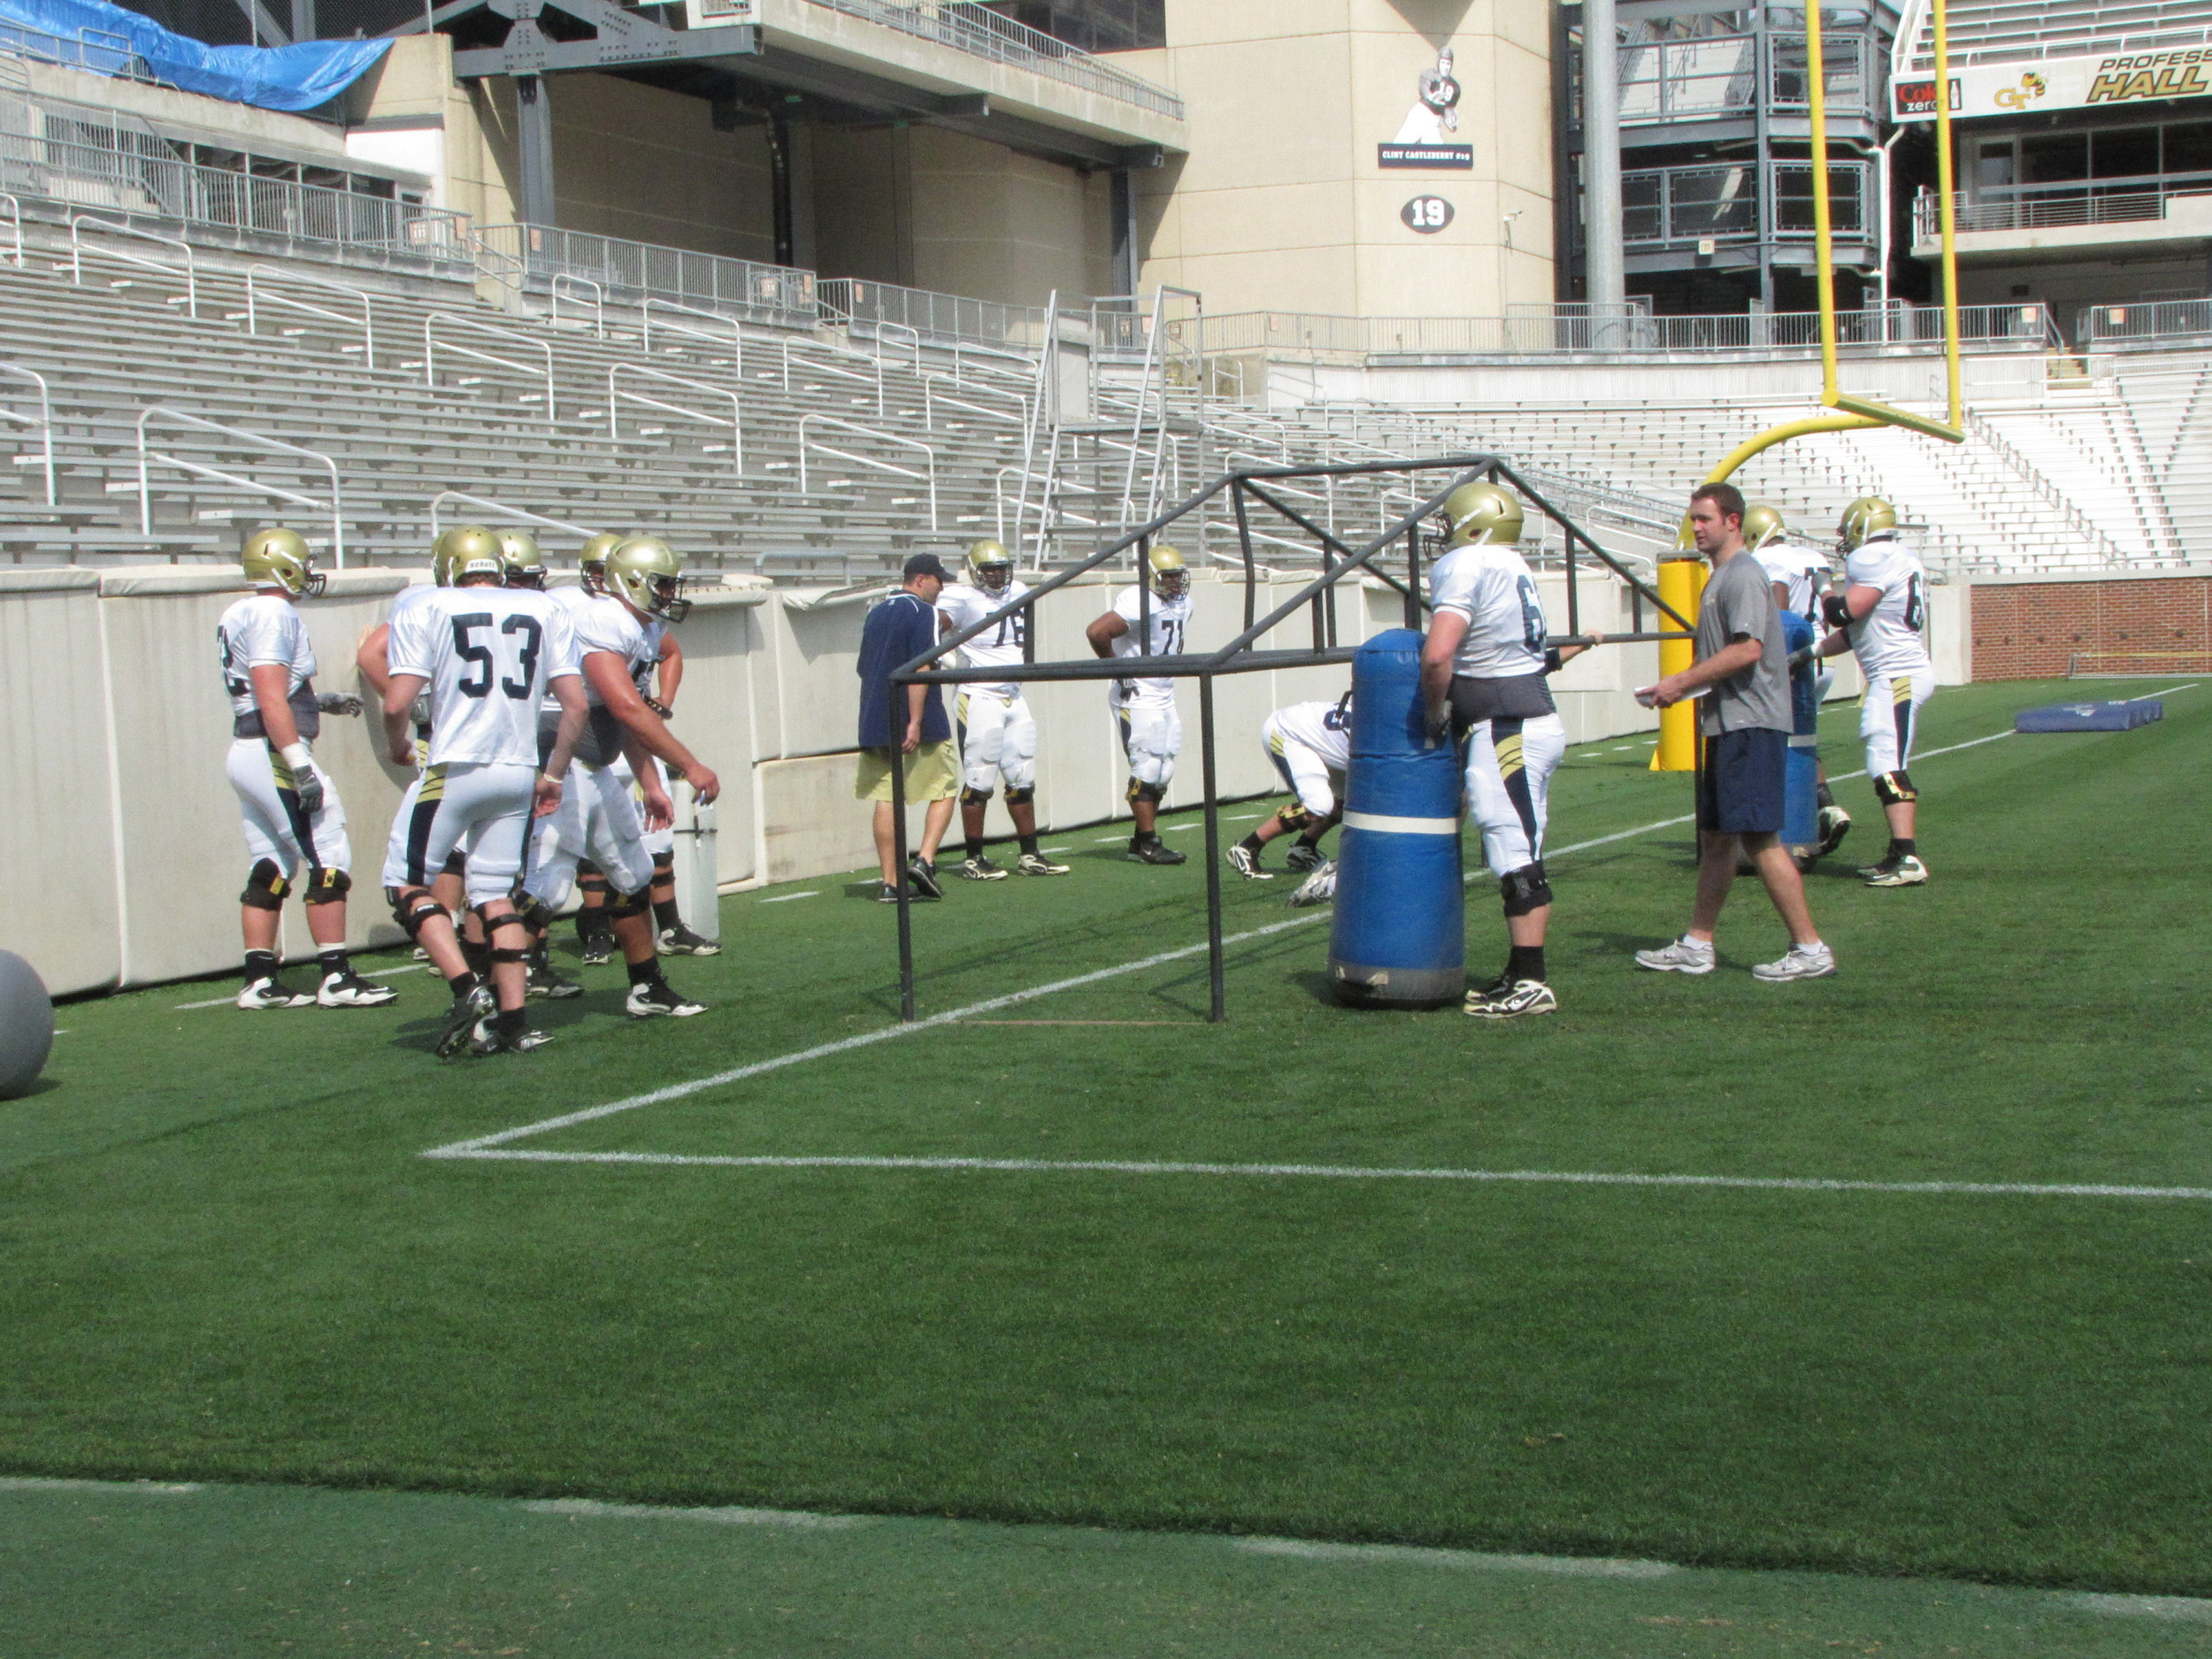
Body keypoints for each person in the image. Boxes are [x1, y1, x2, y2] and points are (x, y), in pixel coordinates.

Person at [380, 531, 586, 1056]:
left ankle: (466, 987)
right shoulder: (543, 606)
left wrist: (399, 745)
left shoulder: (425, 604)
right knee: (494, 893)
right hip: (518, 768)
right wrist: (554, 774)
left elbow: (395, 701)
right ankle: (515, 1023)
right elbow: (576, 707)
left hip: (454, 766)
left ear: (447, 567)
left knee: (404, 884)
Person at [1634, 483, 1834, 982]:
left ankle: (1810, 947)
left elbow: (1747, 649)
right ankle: (1698, 943)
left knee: (1760, 838)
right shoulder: (1723, 576)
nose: (1696, 527)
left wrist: (1680, 681)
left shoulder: (1742, 575)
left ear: (1732, 521)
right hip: (1729, 722)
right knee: (1717, 839)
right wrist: (1682, 691)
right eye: (1693, 519)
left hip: (1750, 723)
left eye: (1705, 518)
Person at [1417, 482, 1602, 1018]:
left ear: (1472, 524)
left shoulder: (1467, 564)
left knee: (1512, 850)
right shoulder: (1512, 564)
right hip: (1523, 720)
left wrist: (1435, 712)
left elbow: (1437, 656)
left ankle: (1533, 981)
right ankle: (1521, 971)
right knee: (1518, 845)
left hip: (1507, 727)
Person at [515, 535, 718, 1019]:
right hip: (557, 764)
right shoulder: (603, 617)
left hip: (591, 764)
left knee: (633, 871)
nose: (670, 595)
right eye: (663, 585)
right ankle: (488, 986)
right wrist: (688, 765)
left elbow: (625, 712)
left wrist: (649, 781)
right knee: (546, 883)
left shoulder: (638, 627)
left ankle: (646, 987)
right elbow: (625, 705)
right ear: (632, 581)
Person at [218, 527, 394, 1010]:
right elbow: (270, 692)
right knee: (329, 850)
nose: (310, 572)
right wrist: (298, 762)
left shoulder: (240, 610)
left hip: (247, 750)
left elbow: (267, 692)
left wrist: (318, 703)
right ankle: (336, 977)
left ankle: (259, 981)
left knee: (272, 865)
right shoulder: (273, 612)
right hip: (273, 753)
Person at [357, 530, 472, 967]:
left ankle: (448, 928)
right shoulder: (424, 600)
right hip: (444, 735)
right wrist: (415, 708)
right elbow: (372, 654)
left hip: (460, 733)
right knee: (449, 843)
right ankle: (442, 930)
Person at [1812, 495, 1932, 887]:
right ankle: (1898, 854)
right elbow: (1855, 632)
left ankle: (1907, 856)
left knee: (1887, 764)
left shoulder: (1873, 557)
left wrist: (1824, 588)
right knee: (1884, 758)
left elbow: (1842, 613)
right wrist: (1809, 652)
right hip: (1898, 673)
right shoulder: (1902, 557)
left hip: (1897, 675)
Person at [936, 539, 1069, 879]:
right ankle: (973, 859)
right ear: (974, 571)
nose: (996, 576)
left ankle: (1030, 854)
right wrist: (952, 661)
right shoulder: (961, 597)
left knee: (1023, 775)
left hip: (1013, 693)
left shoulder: (1019, 590)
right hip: (978, 694)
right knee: (980, 777)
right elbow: (930, 630)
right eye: (989, 569)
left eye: (1001, 569)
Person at [1745, 502, 1849, 860]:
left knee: (1776, 746)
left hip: (1791, 657)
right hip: (1822, 654)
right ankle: (1824, 810)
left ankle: (1787, 832)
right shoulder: (1811, 554)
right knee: (1800, 744)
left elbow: (1781, 609)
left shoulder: (1768, 561)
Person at [856, 552, 959, 902]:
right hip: (917, 719)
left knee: (886, 797)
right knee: (945, 788)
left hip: (874, 714)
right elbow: (921, 667)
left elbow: (862, 668)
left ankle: (891, 883)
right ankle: (925, 860)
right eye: (938, 581)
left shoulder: (875, 611)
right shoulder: (923, 612)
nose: (940, 588)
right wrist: (915, 721)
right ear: (920, 580)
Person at [1086, 544, 1192, 865]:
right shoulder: (1139, 599)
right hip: (1138, 691)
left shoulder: (1184, 601)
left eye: (1177, 576)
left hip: (1164, 690)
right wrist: (1119, 669)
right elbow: (1097, 631)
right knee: (1146, 767)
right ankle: (1148, 842)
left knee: (1164, 767)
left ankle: (1139, 839)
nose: (1174, 583)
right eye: (1168, 576)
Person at [1227, 694, 1350, 880]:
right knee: (1318, 805)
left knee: (1350, 798)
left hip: (1319, 735)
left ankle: (1304, 847)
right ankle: (1247, 847)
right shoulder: (1384, 734)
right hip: (1289, 733)